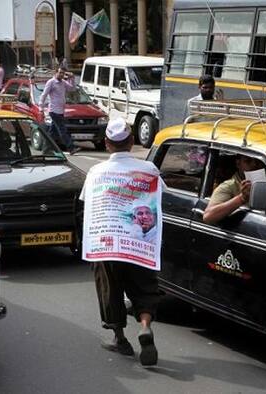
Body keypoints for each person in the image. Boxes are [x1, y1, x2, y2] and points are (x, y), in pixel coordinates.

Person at [81, 117, 162, 366]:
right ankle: (145, 325)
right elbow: (160, 197)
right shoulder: (149, 170)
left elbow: (87, 204)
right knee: (144, 286)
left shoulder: (96, 172)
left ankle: (120, 338)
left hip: (107, 243)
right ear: (132, 141)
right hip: (140, 246)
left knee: (110, 289)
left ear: (106, 144)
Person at [203, 154, 264, 225]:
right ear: (238, 164)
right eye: (248, 161)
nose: (254, 165)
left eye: (258, 161)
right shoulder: (229, 186)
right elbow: (208, 216)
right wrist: (242, 198)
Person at [38, 67, 79, 154]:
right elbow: (44, 94)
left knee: (53, 132)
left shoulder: (63, 82)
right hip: (54, 110)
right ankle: (71, 148)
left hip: (60, 110)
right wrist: (40, 107)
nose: (61, 75)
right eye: (60, 73)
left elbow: (72, 89)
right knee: (62, 129)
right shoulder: (51, 82)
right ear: (56, 72)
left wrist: (72, 78)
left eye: (63, 73)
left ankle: (46, 149)